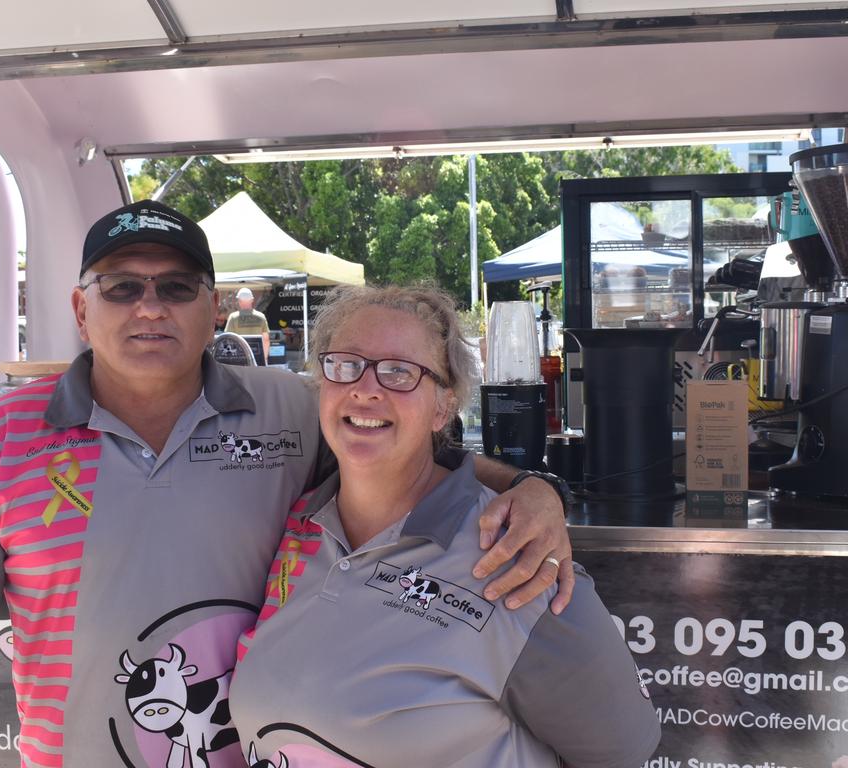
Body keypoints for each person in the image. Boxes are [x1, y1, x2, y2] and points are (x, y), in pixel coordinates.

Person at [0, 201, 573, 768]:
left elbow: (405, 448)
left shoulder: (287, 410)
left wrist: (535, 488)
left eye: (176, 288)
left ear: (215, 310)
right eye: (122, 287)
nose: (150, 307)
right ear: (82, 310)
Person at [230, 285, 661, 768]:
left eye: (399, 372)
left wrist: (538, 489)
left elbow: (621, 751)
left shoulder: (519, 563)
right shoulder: (298, 524)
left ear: (443, 407)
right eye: (345, 363)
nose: (366, 388)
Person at [225, 286, 270, 361]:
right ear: (252, 300)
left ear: (239, 301)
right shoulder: (261, 317)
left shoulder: (233, 317)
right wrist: (264, 359)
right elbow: (266, 339)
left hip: (239, 358)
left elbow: (228, 339)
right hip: (258, 357)